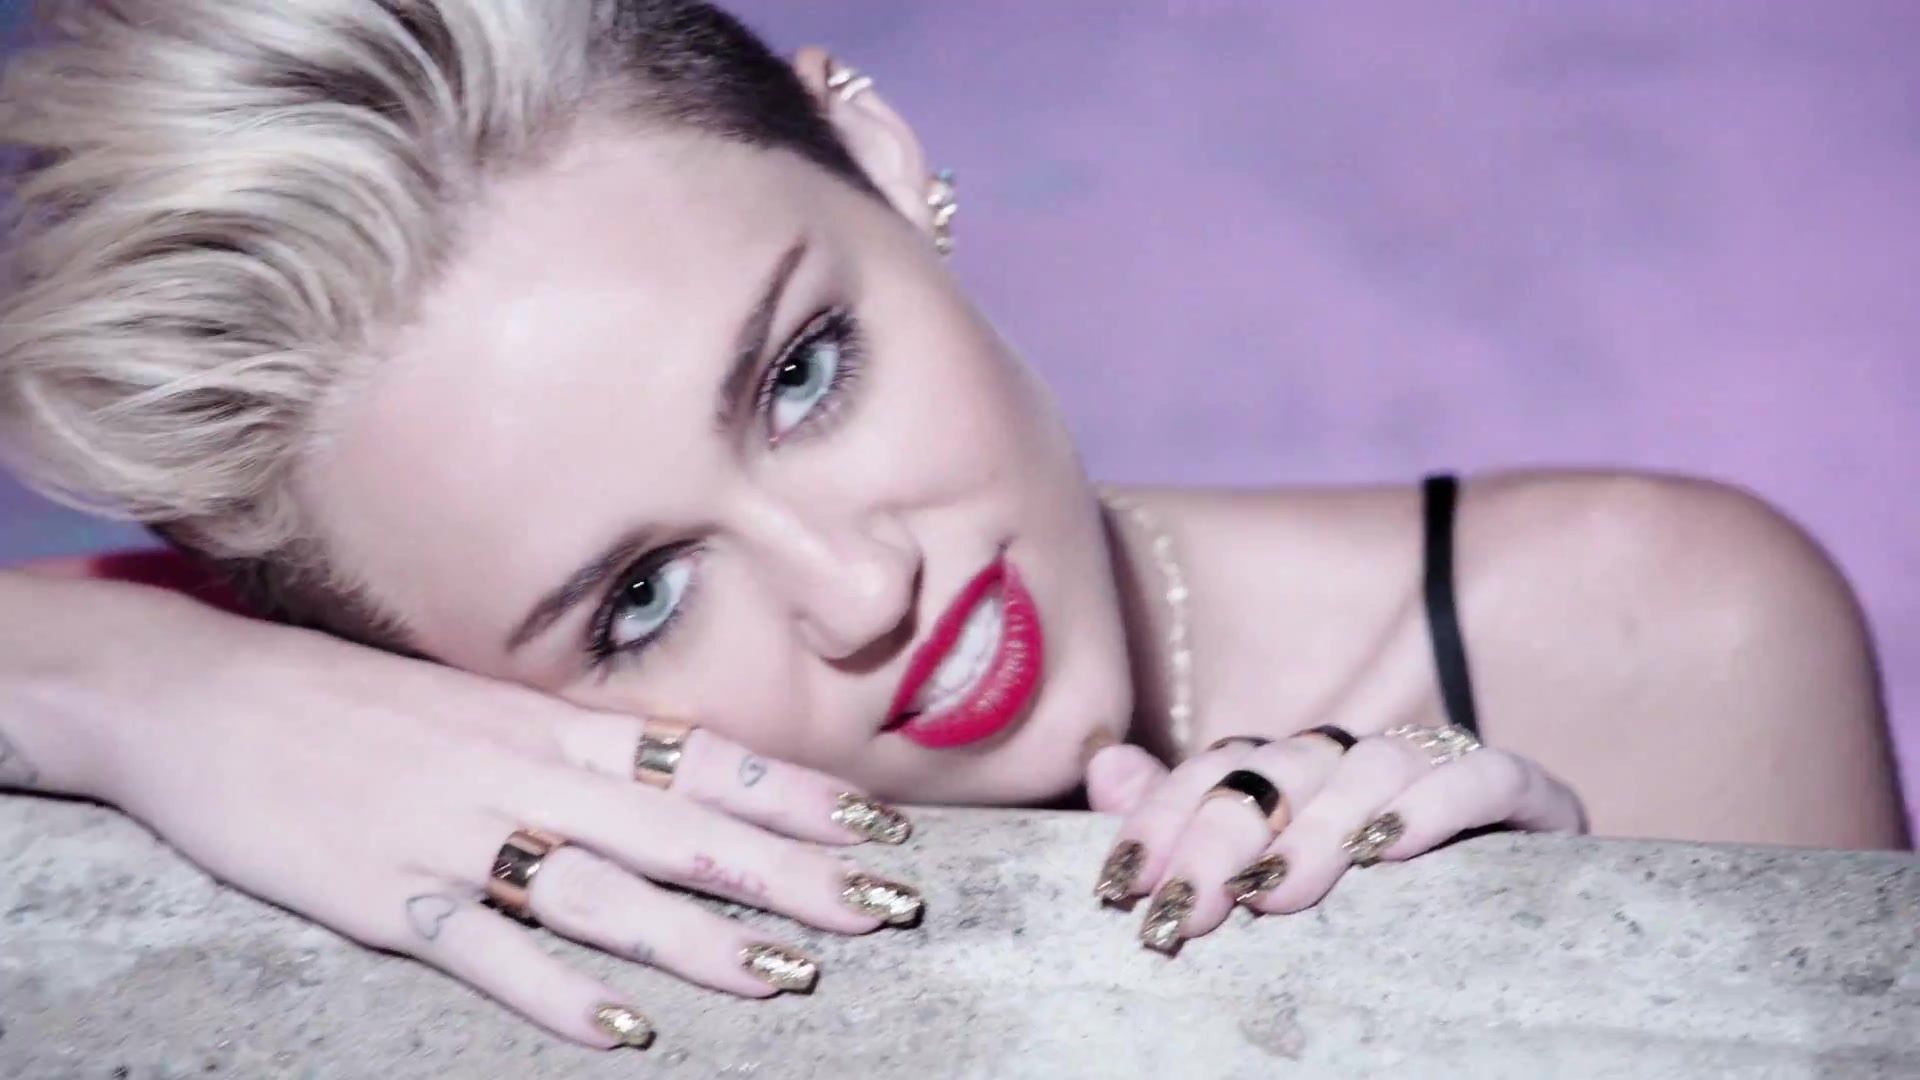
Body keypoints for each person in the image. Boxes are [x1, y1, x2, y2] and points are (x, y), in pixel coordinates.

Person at [0, 0, 1905, 1054]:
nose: (866, 588)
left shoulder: (1658, 630)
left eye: (803, 372)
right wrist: (142, 682)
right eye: (642, 596)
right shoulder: (354, 760)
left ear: (883, 160)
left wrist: (1565, 981)